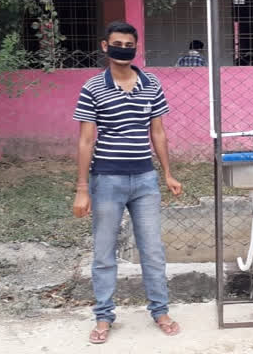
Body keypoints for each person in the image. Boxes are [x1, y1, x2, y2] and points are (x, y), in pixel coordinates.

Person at [72, 21, 184, 344]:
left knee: (152, 250)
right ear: (105, 46)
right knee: (104, 252)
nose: (124, 48)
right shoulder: (93, 88)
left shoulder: (151, 84)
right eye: (117, 43)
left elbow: (158, 132)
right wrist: (82, 189)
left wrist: (167, 173)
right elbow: (85, 140)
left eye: (129, 43)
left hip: (145, 179)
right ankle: (104, 316)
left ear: (136, 47)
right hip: (106, 180)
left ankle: (160, 310)